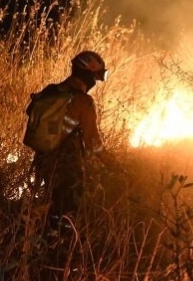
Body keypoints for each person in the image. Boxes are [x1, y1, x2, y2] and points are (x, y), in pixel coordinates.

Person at [30, 50, 124, 231]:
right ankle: (61, 250)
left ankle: (42, 241)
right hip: (68, 168)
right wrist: (115, 165)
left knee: (49, 207)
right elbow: (93, 143)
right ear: (88, 75)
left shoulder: (50, 89)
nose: (95, 82)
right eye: (96, 77)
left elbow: (31, 112)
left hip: (43, 161)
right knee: (67, 216)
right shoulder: (84, 101)